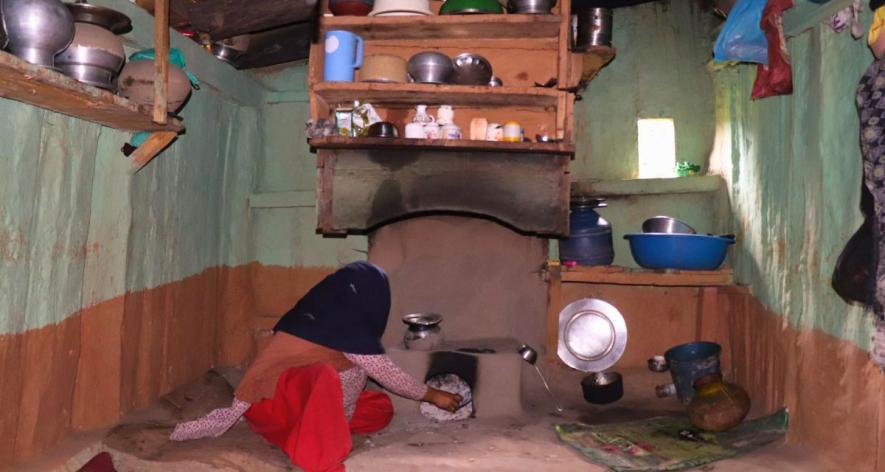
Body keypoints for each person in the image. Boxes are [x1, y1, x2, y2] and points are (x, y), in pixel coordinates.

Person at [169, 261, 462, 471]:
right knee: (323, 377)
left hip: (293, 409)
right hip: (279, 407)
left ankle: (319, 428)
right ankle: (316, 454)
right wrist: (432, 395)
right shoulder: (344, 328)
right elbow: (385, 372)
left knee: (380, 406)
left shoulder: (323, 318)